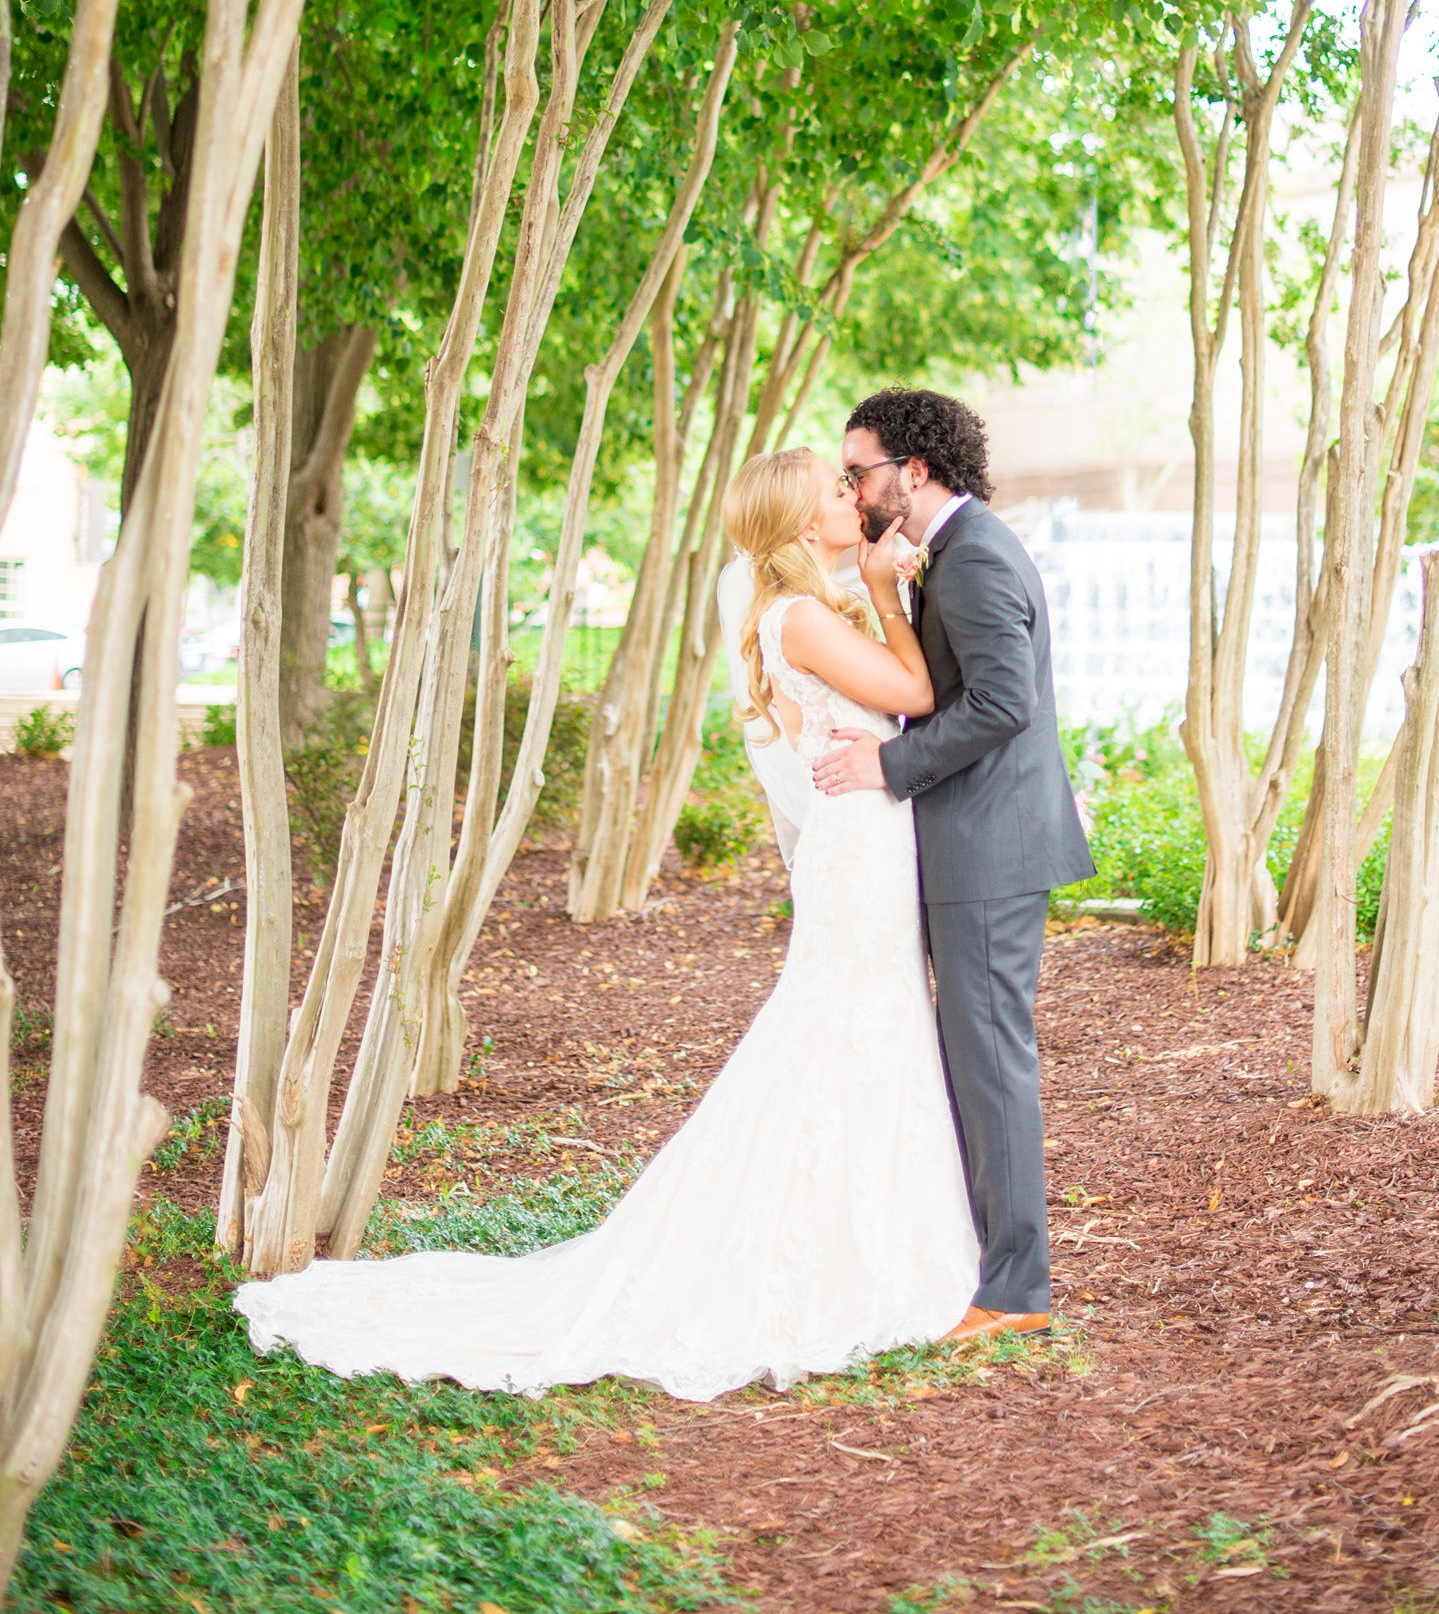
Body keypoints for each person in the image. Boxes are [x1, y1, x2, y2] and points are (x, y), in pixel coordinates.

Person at [233, 446, 977, 1402]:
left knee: (866, 1026)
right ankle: (833, 1254)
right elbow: (914, 698)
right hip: (858, 851)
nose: (853, 495)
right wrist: (883, 589)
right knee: (845, 1026)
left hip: (864, 842)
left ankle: (870, 1235)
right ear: (801, 523)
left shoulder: (799, 609)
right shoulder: (801, 616)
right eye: (837, 491)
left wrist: (871, 593)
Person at [818, 387, 1094, 1344]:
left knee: (990, 1064)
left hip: (990, 849)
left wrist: (887, 764)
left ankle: (1016, 1292)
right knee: (977, 1059)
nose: (851, 489)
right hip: (978, 842)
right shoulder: (954, 552)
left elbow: (1004, 704)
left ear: (917, 470)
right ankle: (986, 1264)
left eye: (859, 472)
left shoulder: (974, 558)